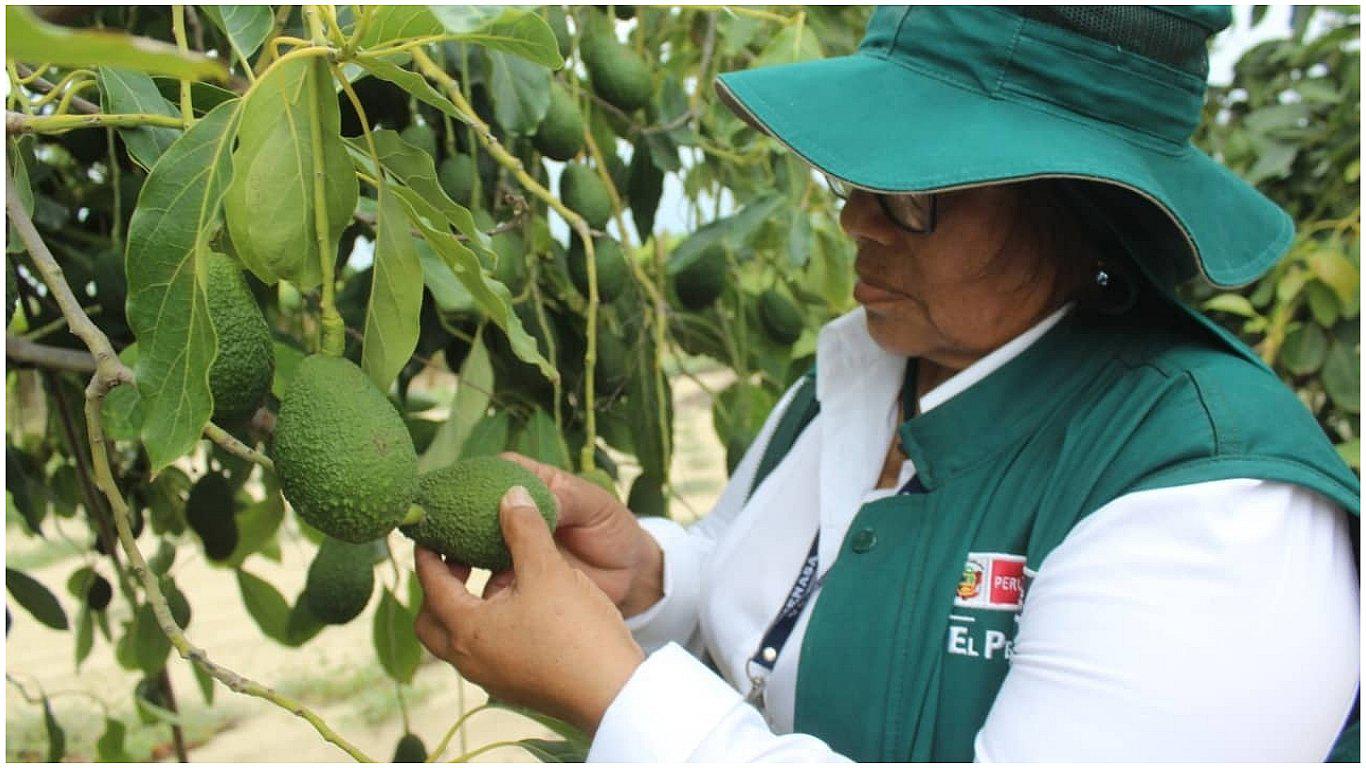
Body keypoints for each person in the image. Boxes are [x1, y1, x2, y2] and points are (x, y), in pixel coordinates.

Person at [412, 6, 1361, 761]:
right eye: (855, 177)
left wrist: (618, 699)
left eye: (912, 194)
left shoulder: (1216, 506)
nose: (855, 221)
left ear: (1082, 208)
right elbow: (763, 593)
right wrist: (654, 583)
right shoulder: (854, 380)